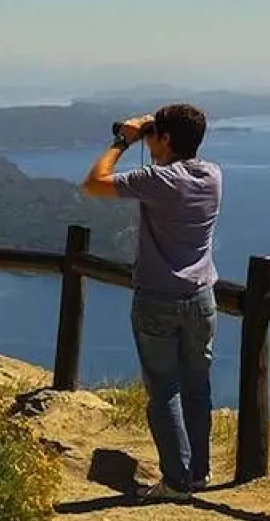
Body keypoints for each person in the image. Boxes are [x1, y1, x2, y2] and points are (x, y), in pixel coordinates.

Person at [81, 103, 222, 500]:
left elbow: (94, 183)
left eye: (155, 133)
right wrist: (152, 134)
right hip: (203, 299)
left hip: (157, 301)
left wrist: (123, 140)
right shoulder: (212, 175)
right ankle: (198, 472)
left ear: (166, 139)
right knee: (198, 386)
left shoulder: (159, 181)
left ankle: (176, 482)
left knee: (164, 390)